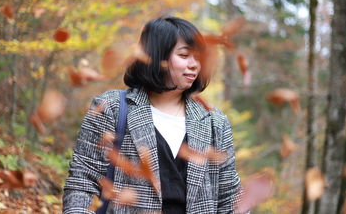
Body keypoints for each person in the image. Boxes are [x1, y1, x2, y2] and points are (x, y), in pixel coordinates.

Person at [63, 16, 246, 213]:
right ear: (157, 57)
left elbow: (230, 198)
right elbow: (83, 182)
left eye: (198, 57)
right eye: (184, 56)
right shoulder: (112, 108)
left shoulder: (214, 122)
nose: (194, 64)